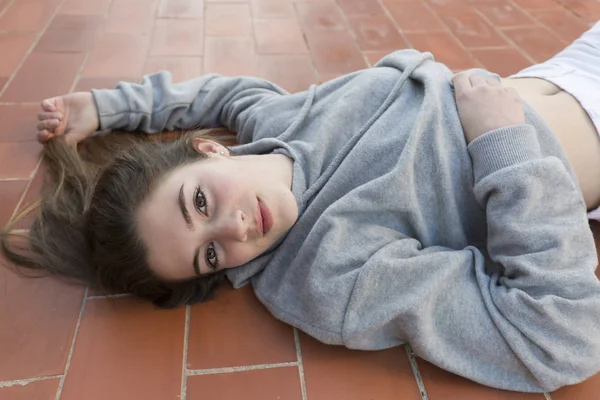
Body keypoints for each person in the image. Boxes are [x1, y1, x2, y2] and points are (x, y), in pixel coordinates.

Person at [3, 21, 600, 394]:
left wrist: (110, 109)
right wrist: (502, 144)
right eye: (210, 254)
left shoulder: (272, 119)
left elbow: (216, 92)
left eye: (201, 200)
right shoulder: (331, 277)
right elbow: (560, 340)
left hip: (568, 64)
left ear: (210, 150)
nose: (233, 229)